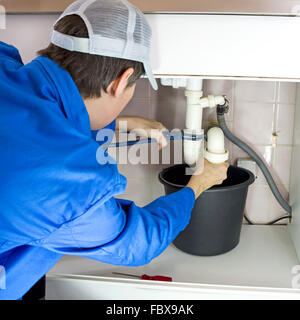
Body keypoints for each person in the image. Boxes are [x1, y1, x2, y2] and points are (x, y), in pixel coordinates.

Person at [0, 0, 228, 300]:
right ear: (121, 82)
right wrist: (198, 183)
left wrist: (117, 123)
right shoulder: (72, 186)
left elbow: (34, 127)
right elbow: (138, 243)